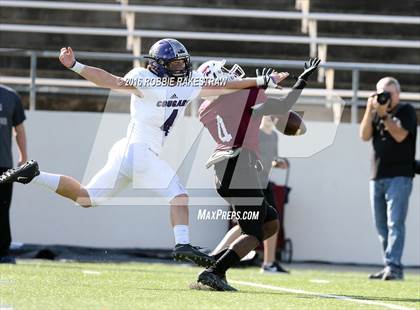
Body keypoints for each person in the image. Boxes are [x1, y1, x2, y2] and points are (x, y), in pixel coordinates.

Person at [0, 39, 286, 267]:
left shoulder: (188, 82)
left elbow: (225, 85)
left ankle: (35, 175)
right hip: (140, 151)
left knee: (86, 198)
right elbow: (109, 80)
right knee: (179, 196)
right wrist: (75, 65)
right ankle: (182, 244)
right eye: (174, 63)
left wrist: (262, 81)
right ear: (158, 65)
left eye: (182, 62)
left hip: (128, 152)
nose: (180, 68)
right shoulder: (144, 79)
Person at [194, 58, 320, 291]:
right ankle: (214, 272)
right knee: (252, 233)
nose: (232, 76)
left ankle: (215, 262)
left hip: (223, 171)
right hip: (240, 167)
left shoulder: (205, 107)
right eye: (224, 74)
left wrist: (258, 88)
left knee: (269, 222)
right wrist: (302, 80)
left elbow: (241, 114)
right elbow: (282, 108)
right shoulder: (240, 97)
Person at [210, 116, 289, 274]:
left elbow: (271, 158)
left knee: (269, 221)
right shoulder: (255, 133)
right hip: (252, 181)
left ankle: (269, 262)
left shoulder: (274, 136)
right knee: (249, 223)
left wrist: (277, 163)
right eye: (268, 114)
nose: (271, 118)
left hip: (264, 182)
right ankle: (215, 257)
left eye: (273, 115)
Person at [360, 76, 417, 280]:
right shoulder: (376, 112)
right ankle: (389, 266)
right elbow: (364, 136)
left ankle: (394, 266)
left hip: (399, 177)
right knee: (381, 226)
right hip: (377, 176)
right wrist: (370, 109)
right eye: (380, 93)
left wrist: (384, 116)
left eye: (388, 93)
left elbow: (401, 135)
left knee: (395, 224)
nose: (384, 97)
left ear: (397, 94)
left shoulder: (406, 111)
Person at [0, 84, 27, 264]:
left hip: (4, 165)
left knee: (2, 209)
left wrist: (23, 157)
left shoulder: (11, 96)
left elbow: (19, 130)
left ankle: (3, 251)